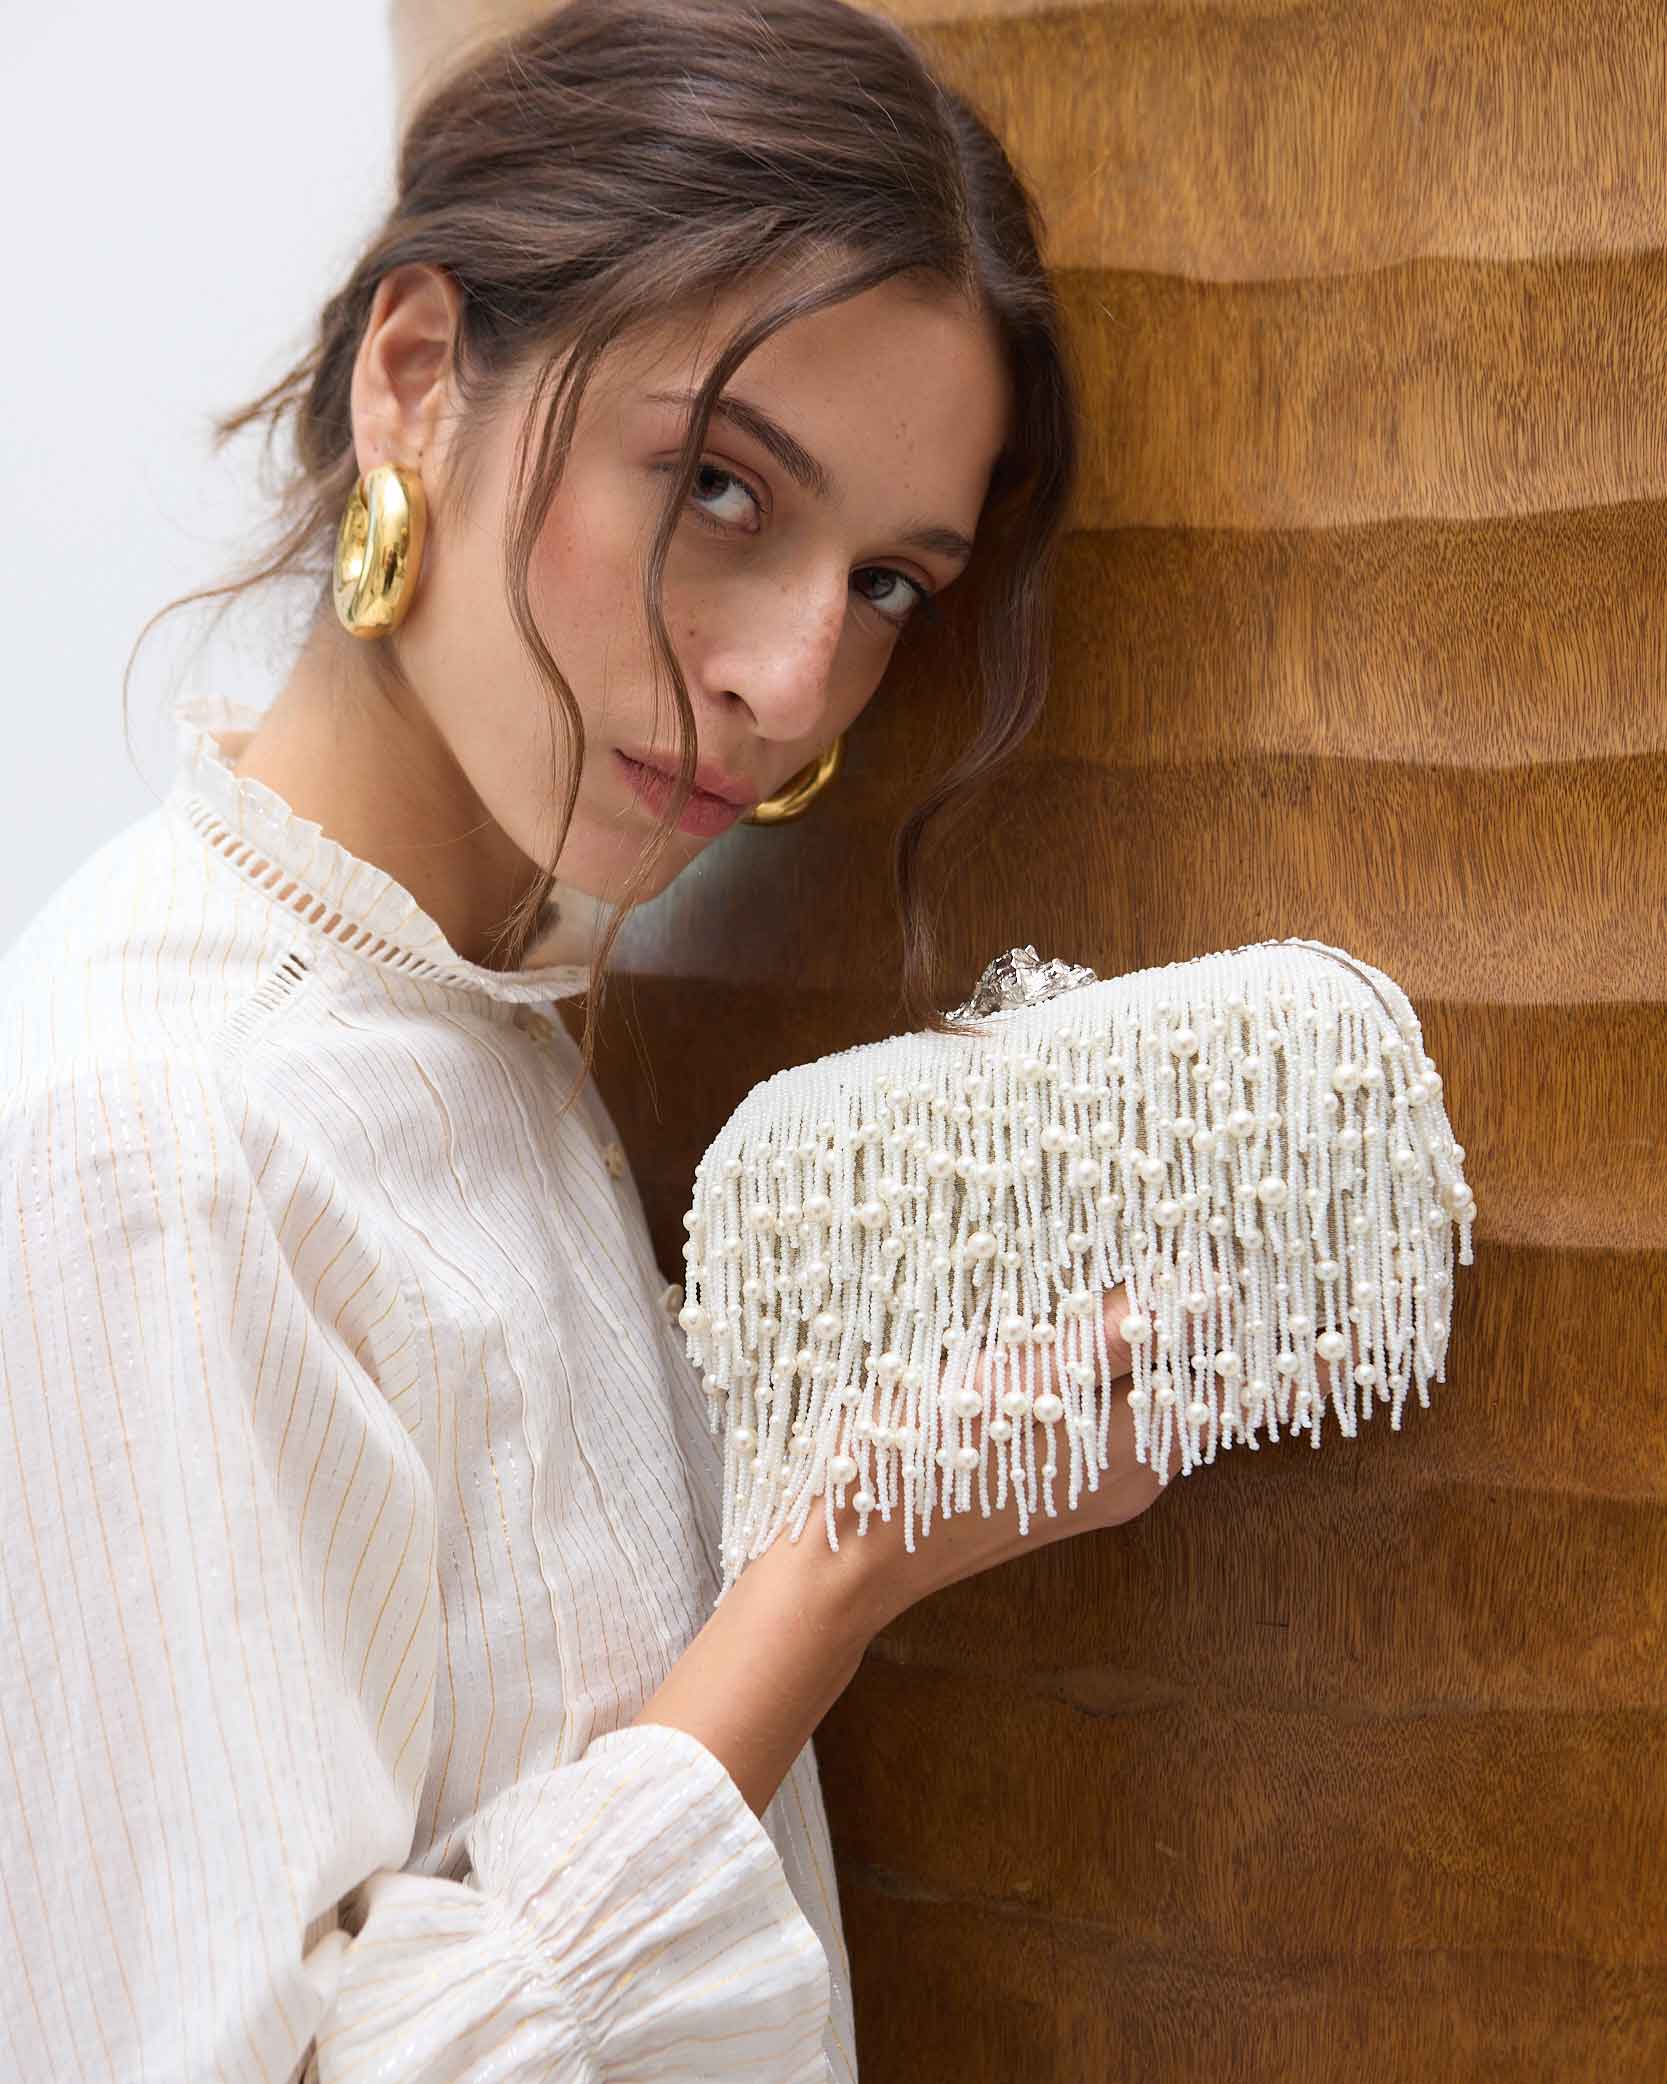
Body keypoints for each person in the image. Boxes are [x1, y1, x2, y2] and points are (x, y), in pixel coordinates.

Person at [0, 1, 1166, 2077]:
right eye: (720, 486)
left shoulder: (489, 1025)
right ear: (416, 377)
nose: (794, 680)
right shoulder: (161, 1132)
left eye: (889, 585)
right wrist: (825, 1583)